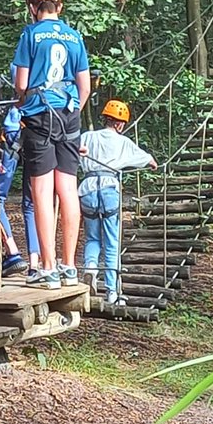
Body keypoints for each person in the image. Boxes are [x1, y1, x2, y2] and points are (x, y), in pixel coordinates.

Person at [13, 0, 91, 290]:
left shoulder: (30, 35)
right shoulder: (75, 37)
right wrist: (73, 112)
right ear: (59, 4)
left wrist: (24, 102)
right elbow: (85, 86)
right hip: (69, 115)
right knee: (68, 189)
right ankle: (69, 266)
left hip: (39, 114)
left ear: (33, 6)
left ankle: (47, 267)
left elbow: (21, 83)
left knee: (42, 192)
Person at [78, 99, 157, 306]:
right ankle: (112, 292)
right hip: (109, 189)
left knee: (92, 238)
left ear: (105, 118)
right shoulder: (123, 142)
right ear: (120, 124)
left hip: (87, 188)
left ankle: (90, 269)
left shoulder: (87, 136)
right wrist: (152, 163)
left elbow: (73, 151)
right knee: (112, 241)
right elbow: (149, 160)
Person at [0, 98, 38, 277]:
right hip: (39, 141)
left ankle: (12, 252)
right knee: (31, 207)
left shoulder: (22, 99)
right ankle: (34, 265)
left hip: (15, 137)